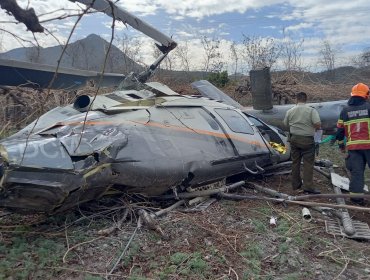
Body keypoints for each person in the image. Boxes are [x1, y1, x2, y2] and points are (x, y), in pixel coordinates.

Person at [334, 82, 370, 205]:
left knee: (357, 173)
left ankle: (356, 199)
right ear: (366, 95)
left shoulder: (345, 111)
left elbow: (339, 131)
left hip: (354, 148)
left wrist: (340, 145)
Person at [283, 92, 321, 194]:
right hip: (307, 140)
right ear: (306, 99)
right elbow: (317, 124)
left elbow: (285, 124)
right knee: (308, 163)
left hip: (294, 139)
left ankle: (295, 184)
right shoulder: (311, 110)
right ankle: (308, 186)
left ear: (296, 99)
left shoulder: (290, 111)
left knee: (295, 162)